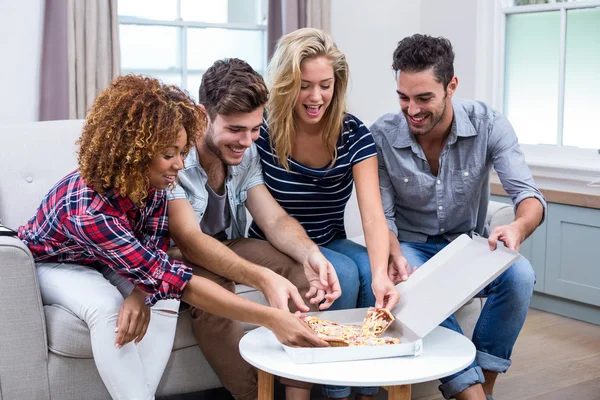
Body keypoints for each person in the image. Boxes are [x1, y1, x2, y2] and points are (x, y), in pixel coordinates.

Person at [17, 75, 327, 400]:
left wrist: (140, 293)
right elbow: (179, 280)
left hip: (108, 259)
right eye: (169, 154)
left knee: (161, 297)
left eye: (181, 152)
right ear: (133, 153)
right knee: (108, 309)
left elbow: (153, 253)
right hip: (55, 263)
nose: (180, 164)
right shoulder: (90, 211)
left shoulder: (154, 183)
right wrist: (272, 318)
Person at [370, 34, 547, 400]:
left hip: (467, 245)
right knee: (417, 291)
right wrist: (393, 256)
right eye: (403, 97)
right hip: (412, 249)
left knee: (520, 275)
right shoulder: (382, 137)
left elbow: (529, 197)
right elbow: (382, 216)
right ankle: (471, 395)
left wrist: (517, 227)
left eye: (424, 98)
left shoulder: (488, 125)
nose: (412, 110)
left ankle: (484, 388)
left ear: (451, 86)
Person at [166, 58, 341, 400]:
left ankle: (297, 395)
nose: (247, 140)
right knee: (215, 289)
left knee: (301, 271)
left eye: (255, 128)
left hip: (226, 244)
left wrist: (312, 254)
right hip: (179, 255)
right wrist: (262, 278)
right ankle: (255, 396)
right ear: (203, 116)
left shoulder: (246, 152)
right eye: (235, 129)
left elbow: (274, 220)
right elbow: (190, 241)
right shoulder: (176, 156)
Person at [249, 28, 397, 400]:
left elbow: (372, 216)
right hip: (276, 241)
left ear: (338, 84)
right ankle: (336, 390)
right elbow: (270, 217)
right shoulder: (262, 131)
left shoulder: (353, 133)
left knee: (368, 269)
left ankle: (365, 384)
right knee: (344, 273)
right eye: (304, 85)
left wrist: (381, 274)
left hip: (329, 237)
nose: (316, 97)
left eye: (325, 85)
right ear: (285, 84)